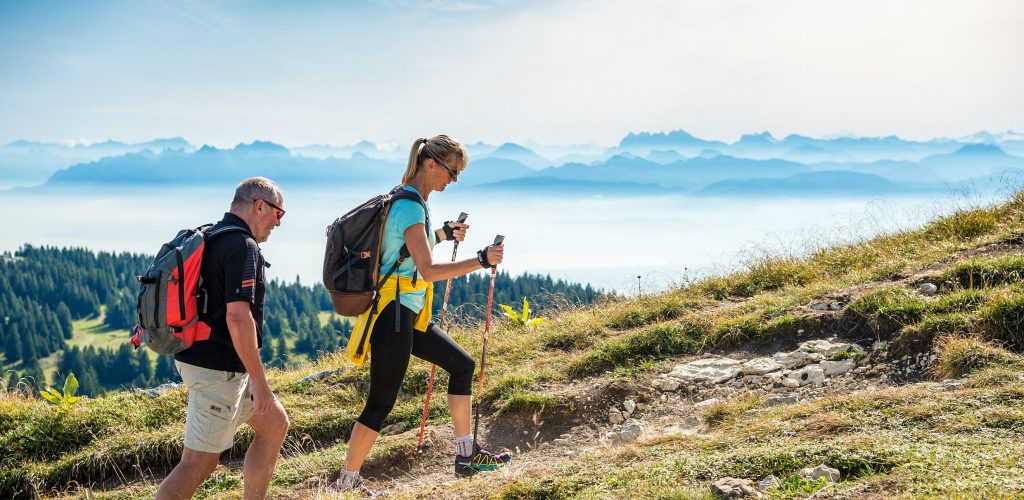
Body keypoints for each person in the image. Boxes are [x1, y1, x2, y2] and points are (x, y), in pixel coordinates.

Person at [334, 135, 508, 494]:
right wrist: (480, 259)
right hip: (393, 314)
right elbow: (427, 270)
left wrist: (443, 233)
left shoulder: (412, 202)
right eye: (452, 171)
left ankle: (465, 454)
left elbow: (407, 248)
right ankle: (346, 482)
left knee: (462, 365)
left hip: (407, 313)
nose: (453, 180)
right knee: (381, 402)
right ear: (431, 164)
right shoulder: (410, 206)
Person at [156, 177, 290, 500]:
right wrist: (260, 382)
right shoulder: (243, 246)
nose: (278, 223)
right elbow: (238, 318)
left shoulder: (213, 235)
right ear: (260, 206)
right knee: (198, 463)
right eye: (278, 213)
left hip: (204, 359)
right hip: (218, 371)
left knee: (274, 424)